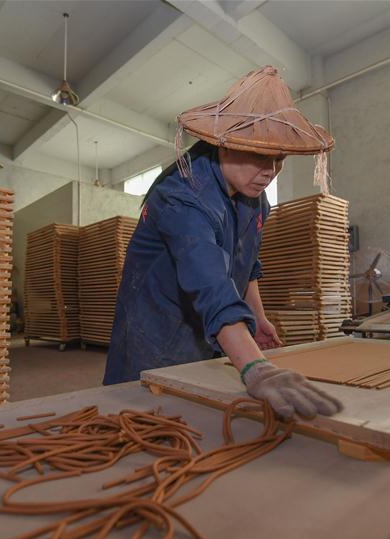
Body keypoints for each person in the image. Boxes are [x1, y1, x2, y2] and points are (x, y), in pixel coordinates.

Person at [103, 66, 341, 420]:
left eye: (279, 158)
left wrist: (256, 318)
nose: (271, 170)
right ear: (225, 142)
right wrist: (257, 369)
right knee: (139, 425)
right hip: (154, 334)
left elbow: (247, 264)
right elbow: (211, 283)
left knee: (198, 423)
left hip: (210, 331)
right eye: (260, 153)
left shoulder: (255, 200)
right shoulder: (182, 198)